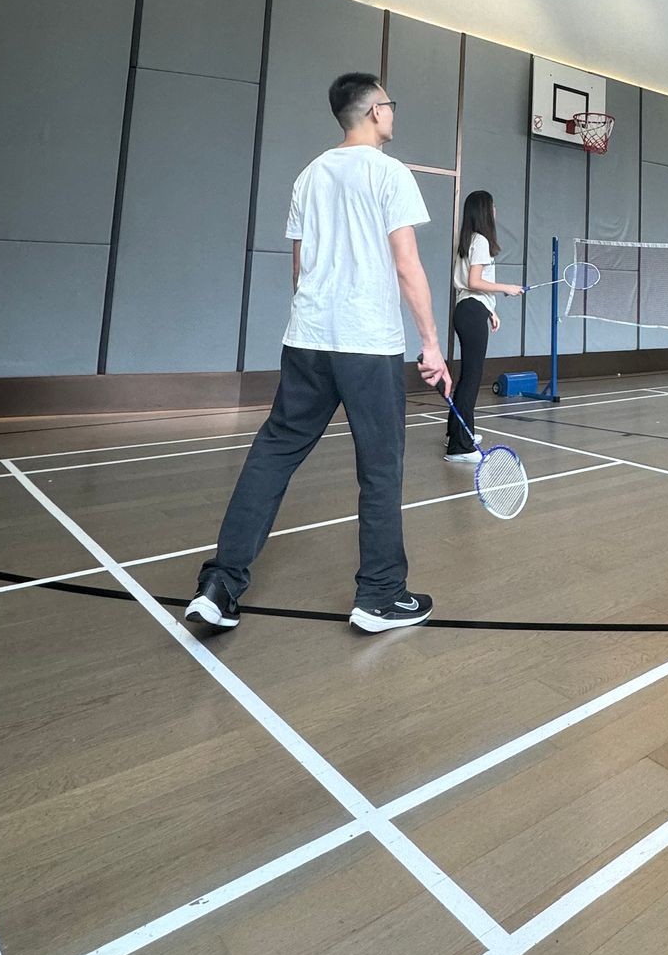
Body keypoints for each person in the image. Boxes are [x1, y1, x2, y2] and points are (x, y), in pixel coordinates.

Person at [185, 72, 451, 637]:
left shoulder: (309, 175)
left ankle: (219, 585)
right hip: (368, 345)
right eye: (391, 105)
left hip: (306, 340)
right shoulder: (390, 173)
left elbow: (299, 268)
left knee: (273, 454)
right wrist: (432, 345)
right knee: (380, 468)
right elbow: (407, 266)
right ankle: (379, 595)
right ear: (375, 111)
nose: (393, 114)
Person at [445, 190, 523, 464]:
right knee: (472, 378)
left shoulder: (467, 239)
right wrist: (507, 289)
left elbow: (471, 287)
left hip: (468, 309)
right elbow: (475, 281)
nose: (495, 211)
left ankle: (457, 432)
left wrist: (490, 310)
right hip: (471, 310)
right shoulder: (480, 241)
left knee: (468, 376)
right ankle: (459, 447)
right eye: (492, 206)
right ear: (484, 211)